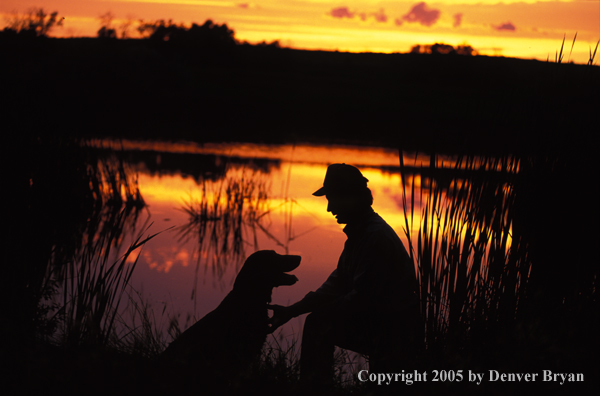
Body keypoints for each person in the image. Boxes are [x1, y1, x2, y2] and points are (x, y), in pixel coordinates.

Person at [268, 163, 421, 389]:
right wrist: (292, 311)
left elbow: (361, 298)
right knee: (318, 320)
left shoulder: (374, 238)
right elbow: (335, 286)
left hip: (395, 334)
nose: (329, 208)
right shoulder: (361, 234)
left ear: (352, 198)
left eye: (333, 199)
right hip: (382, 324)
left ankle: (314, 389)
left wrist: (320, 311)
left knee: (318, 323)